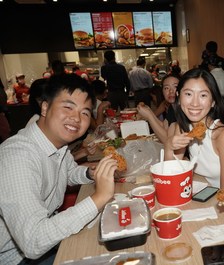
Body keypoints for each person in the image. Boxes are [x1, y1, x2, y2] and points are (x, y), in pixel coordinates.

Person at [0, 74, 118, 264]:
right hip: (16, 258)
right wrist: (99, 197)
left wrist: (90, 173)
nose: (76, 118)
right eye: (68, 107)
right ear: (45, 107)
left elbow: (69, 173)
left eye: (85, 113)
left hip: (45, 243)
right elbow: (32, 241)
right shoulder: (17, 156)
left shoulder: (57, 145)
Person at [164, 68, 224, 189]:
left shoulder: (223, 136)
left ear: (213, 101)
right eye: (188, 94)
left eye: (203, 95)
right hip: (205, 191)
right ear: (178, 96)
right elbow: (172, 173)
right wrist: (168, 146)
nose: (195, 103)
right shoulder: (183, 127)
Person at [137, 73, 180, 144]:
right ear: (162, 91)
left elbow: (168, 141)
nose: (171, 91)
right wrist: (149, 111)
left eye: (175, 87)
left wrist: (149, 116)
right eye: (166, 88)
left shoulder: (183, 108)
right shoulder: (172, 107)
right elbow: (164, 126)